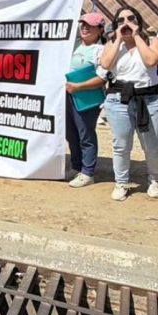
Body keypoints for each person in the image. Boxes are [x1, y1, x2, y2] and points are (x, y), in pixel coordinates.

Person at [98, 6, 158, 201]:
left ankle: (155, 179)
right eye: (121, 20)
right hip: (119, 99)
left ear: (139, 21)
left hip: (149, 99)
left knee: (152, 145)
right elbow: (105, 64)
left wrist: (136, 37)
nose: (126, 23)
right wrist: (118, 39)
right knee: (121, 144)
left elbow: (152, 61)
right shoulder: (112, 43)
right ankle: (121, 182)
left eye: (131, 18)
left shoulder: (152, 41)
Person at [65, 12, 106, 188]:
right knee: (70, 133)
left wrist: (79, 87)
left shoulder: (101, 50)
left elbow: (103, 77)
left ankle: (88, 171)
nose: (84, 28)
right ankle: (76, 166)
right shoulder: (72, 45)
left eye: (89, 25)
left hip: (86, 97)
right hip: (68, 95)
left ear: (100, 30)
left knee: (85, 134)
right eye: (82, 24)